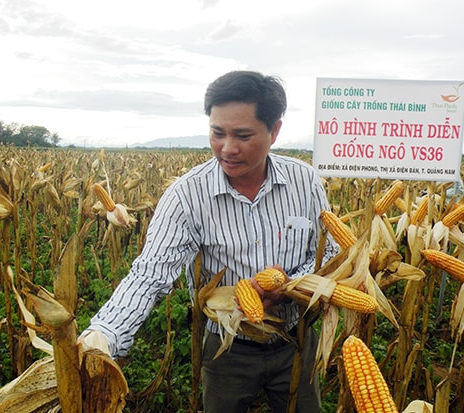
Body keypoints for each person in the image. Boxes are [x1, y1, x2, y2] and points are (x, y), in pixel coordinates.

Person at [82, 70, 339, 412]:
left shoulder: (304, 181)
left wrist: (292, 285)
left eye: (243, 135)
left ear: (274, 131)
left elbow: (328, 253)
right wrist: (102, 337)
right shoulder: (187, 195)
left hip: (297, 338)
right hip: (227, 347)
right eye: (217, 133)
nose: (227, 148)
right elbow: (149, 275)